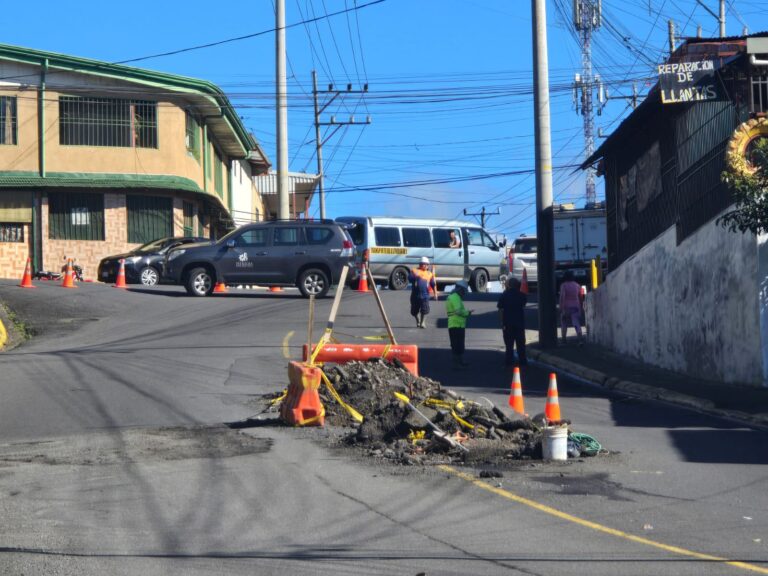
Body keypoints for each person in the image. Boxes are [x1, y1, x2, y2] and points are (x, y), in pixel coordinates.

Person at [497, 276, 527, 366]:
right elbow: (523, 304)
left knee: (509, 345)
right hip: (519, 323)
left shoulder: (504, 295)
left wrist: (501, 322)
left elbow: (500, 309)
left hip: (508, 323)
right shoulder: (521, 295)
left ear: (509, 285)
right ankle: (523, 362)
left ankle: (509, 362)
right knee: (521, 344)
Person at [445, 280, 472, 368]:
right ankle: (457, 364)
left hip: (455, 324)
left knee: (458, 344)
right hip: (457, 324)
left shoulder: (452, 296)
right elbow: (458, 311)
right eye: (464, 291)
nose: (464, 293)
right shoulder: (455, 297)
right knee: (457, 345)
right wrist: (467, 313)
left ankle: (460, 361)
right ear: (460, 289)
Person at [408, 256, 436, 328]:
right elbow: (410, 279)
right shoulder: (414, 271)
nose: (425, 265)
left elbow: (433, 284)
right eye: (423, 264)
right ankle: (418, 320)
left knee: (425, 309)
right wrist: (416, 276)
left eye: (426, 264)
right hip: (415, 295)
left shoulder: (429, 274)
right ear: (420, 264)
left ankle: (423, 322)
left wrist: (435, 294)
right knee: (414, 311)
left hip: (425, 295)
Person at [559, 270, 584, 345]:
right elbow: (581, 296)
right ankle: (580, 339)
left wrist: (561, 308)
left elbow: (562, 297)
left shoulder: (563, 285)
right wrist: (581, 307)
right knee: (576, 323)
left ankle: (564, 340)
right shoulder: (577, 285)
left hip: (566, 307)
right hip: (576, 307)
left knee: (564, 322)